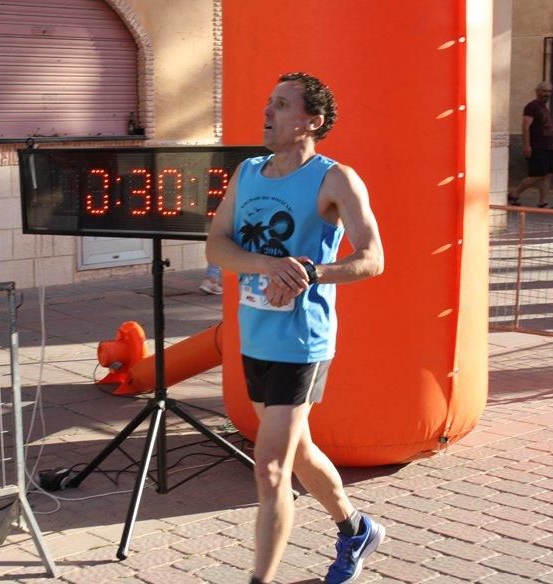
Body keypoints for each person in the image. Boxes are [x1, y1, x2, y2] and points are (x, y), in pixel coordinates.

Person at [206, 72, 385, 584]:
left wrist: (312, 271)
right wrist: (266, 265)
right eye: (268, 102)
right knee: (298, 450)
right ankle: (356, 528)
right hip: (256, 333)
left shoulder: (335, 179)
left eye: (282, 105)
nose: (268, 112)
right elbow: (216, 246)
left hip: (302, 341)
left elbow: (373, 258)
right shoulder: (248, 173)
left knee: (269, 470)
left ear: (312, 121)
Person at [508, 82, 553, 208]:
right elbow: (525, 127)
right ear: (538, 91)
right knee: (537, 175)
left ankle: (543, 202)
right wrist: (527, 145)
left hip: (548, 146)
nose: (547, 94)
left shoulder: (544, 108)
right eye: (544, 91)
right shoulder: (531, 107)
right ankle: (514, 194)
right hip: (536, 146)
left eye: (549, 92)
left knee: (547, 174)